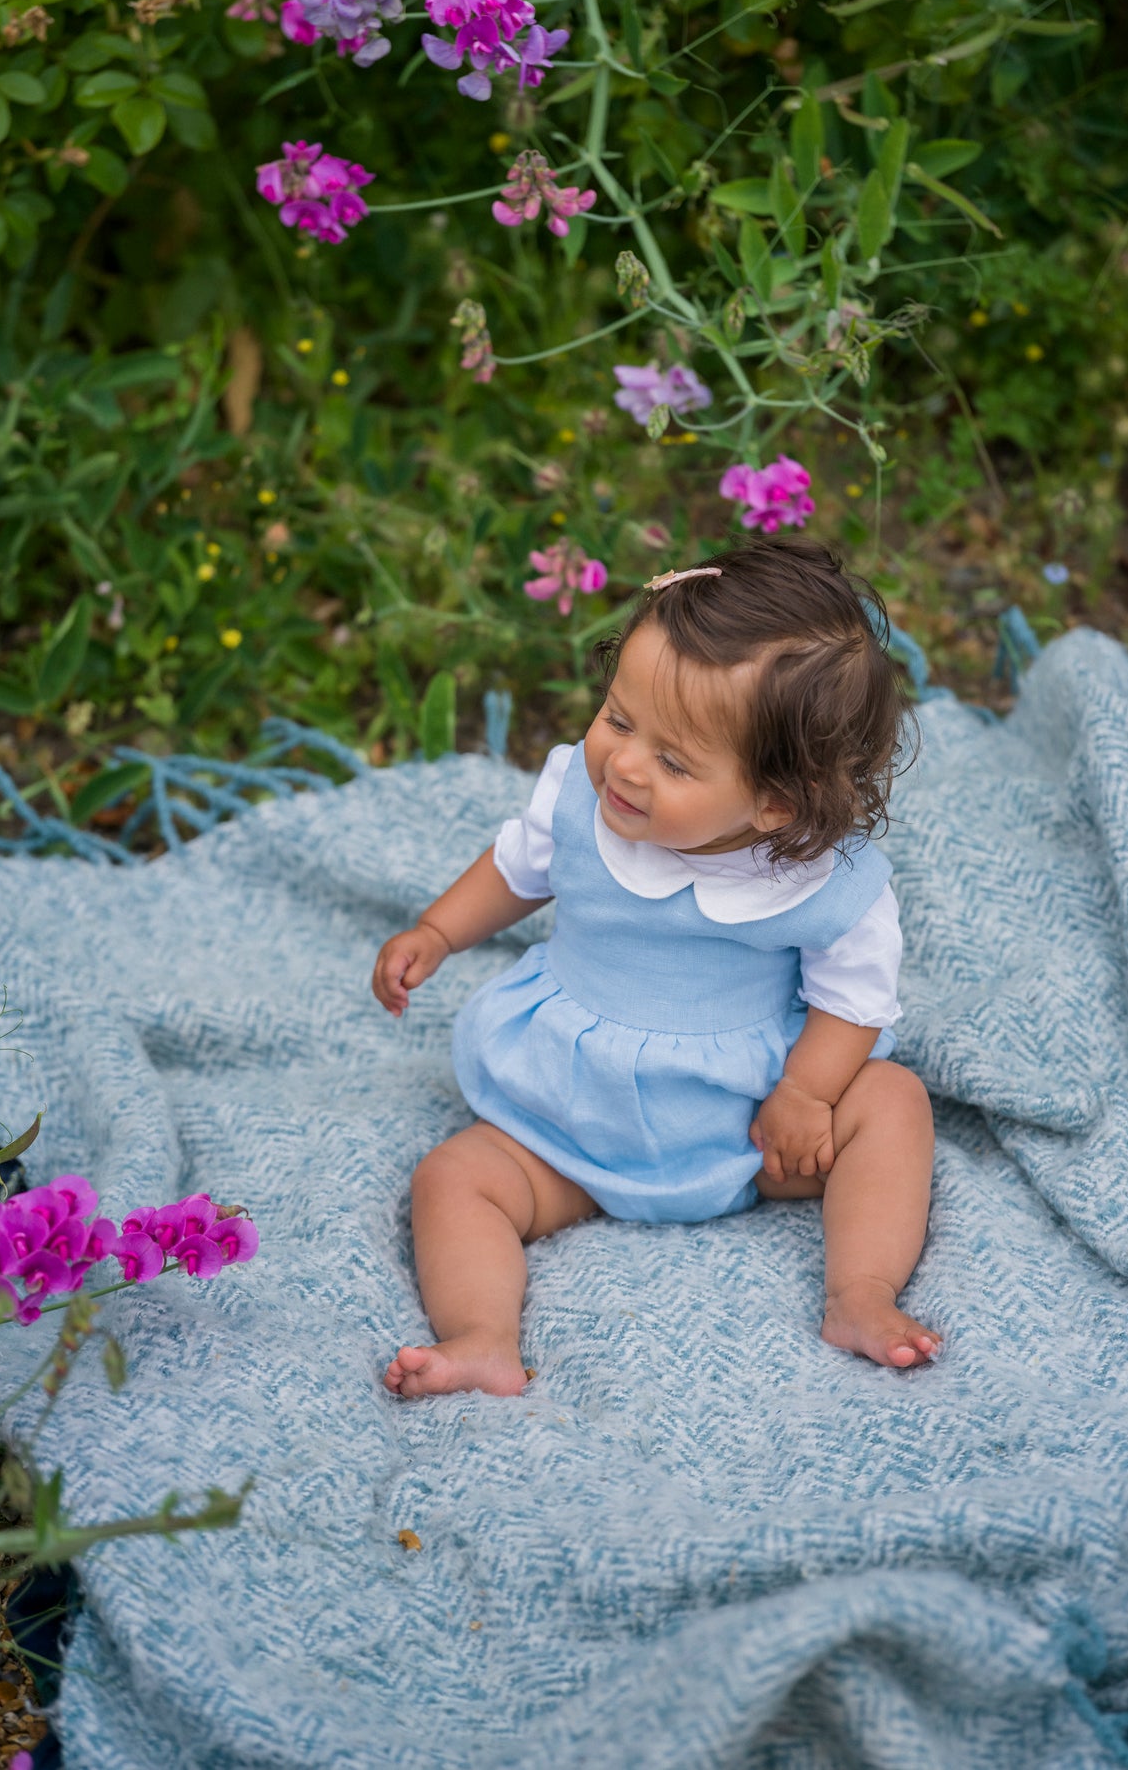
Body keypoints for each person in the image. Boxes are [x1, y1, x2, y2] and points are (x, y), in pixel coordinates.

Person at [373, 538, 938, 1397]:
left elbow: (853, 1002)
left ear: (774, 803)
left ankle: (859, 1291)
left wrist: (807, 1094)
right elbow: (514, 869)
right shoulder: (579, 798)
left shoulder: (827, 882)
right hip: (567, 1124)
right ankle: (482, 1335)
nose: (625, 764)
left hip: (748, 1132)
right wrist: (437, 932)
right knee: (451, 1178)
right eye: (617, 718)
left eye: (673, 760)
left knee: (892, 1101)